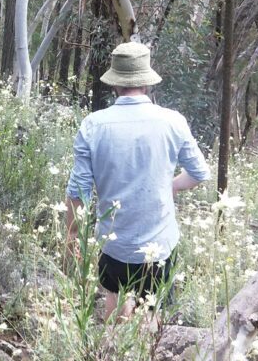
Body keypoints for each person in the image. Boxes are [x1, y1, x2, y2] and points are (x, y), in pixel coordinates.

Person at [65, 41, 211, 321]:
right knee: (150, 315)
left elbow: (78, 191)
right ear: (147, 83)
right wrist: (170, 185)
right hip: (160, 244)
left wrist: (72, 237)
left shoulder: (93, 125)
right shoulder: (173, 121)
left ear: (115, 84)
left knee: (115, 306)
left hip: (114, 243)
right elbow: (199, 173)